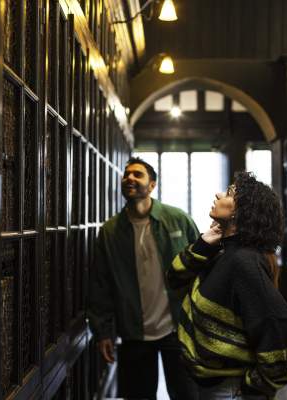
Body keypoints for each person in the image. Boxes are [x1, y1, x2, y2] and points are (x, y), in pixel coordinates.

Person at [167, 172, 287, 400]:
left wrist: (255, 387)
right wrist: (204, 242)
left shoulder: (243, 261)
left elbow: (281, 327)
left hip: (230, 390)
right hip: (212, 385)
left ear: (242, 212)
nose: (218, 194)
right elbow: (174, 278)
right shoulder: (222, 250)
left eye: (229, 193)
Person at [89, 157, 200, 400]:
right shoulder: (110, 231)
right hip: (133, 331)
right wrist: (103, 332)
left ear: (152, 185)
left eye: (138, 174)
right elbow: (100, 285)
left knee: (188, 394)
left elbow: (204, 265)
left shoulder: (177, 219)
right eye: (126, 174)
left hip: (178, 328)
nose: (129, 178)